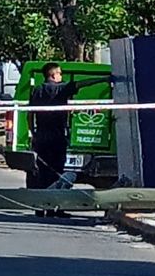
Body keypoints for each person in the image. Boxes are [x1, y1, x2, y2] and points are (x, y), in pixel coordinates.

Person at [27, 62, 114, 217]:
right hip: (57, 138)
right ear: (53, 75)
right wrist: (103, 79)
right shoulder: (61, 89)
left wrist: (33, 132)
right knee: (58, 172)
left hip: (41, 138)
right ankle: (56, 208)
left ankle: (40, 208)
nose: (62, 76)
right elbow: (82, 84)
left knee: (42, 173)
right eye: (60, 73)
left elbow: (29, 113)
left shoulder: (37, 91)